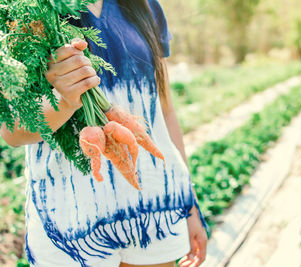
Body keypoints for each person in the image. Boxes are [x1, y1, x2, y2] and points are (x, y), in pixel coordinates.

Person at [0, 0, 208, 266]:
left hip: (155, 206)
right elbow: (12, 131)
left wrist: (188, 202)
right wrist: (64, 100)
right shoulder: (26, 10)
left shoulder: (145, 5)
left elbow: (165, 111)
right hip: (71, 221)